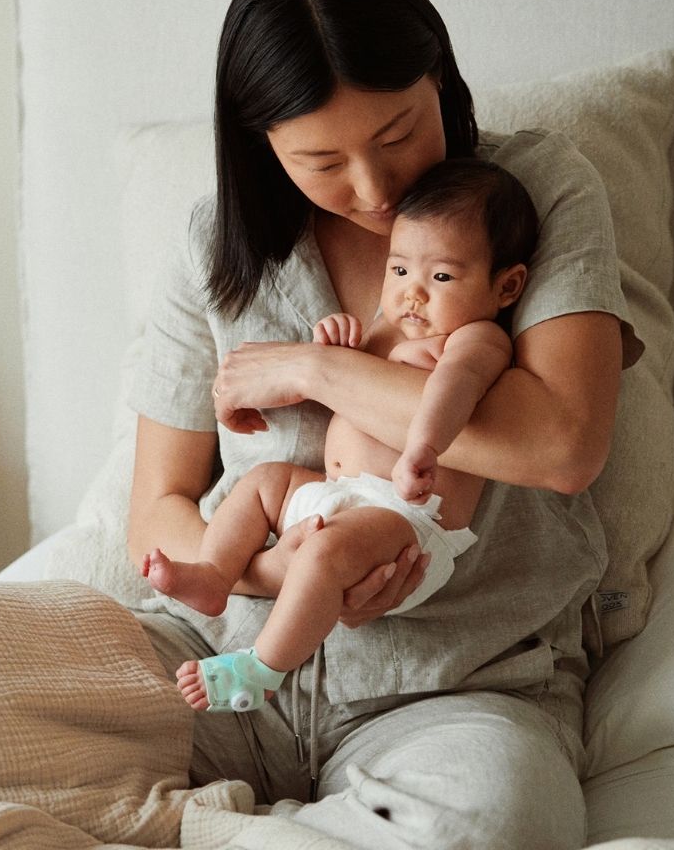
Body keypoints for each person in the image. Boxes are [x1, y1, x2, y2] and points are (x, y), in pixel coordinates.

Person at [127, 0, 641, 849]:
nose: (372, 188)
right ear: (263, 145)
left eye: (398, 134)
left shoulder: (535, 194)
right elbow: (156, 511)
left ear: (438, 77)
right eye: (320, 160)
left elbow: (562, 445)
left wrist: (314, 370)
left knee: (498, 824)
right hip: (215, 669)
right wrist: (289, 574)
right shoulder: (216, 244)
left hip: (457, 686)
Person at [140, 158, 538, 712]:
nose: (412, 295)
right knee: (263, 482)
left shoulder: (475, 340)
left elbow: (452, 391)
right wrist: (336, 348)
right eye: (399, 271)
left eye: (441, 277)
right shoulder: (390, 324)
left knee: (324, 553)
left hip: (406, 517)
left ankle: (261, 669)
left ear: (506, 285)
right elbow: (349, 387)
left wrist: (422, 448)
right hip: (335, 495)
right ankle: (214, 573)